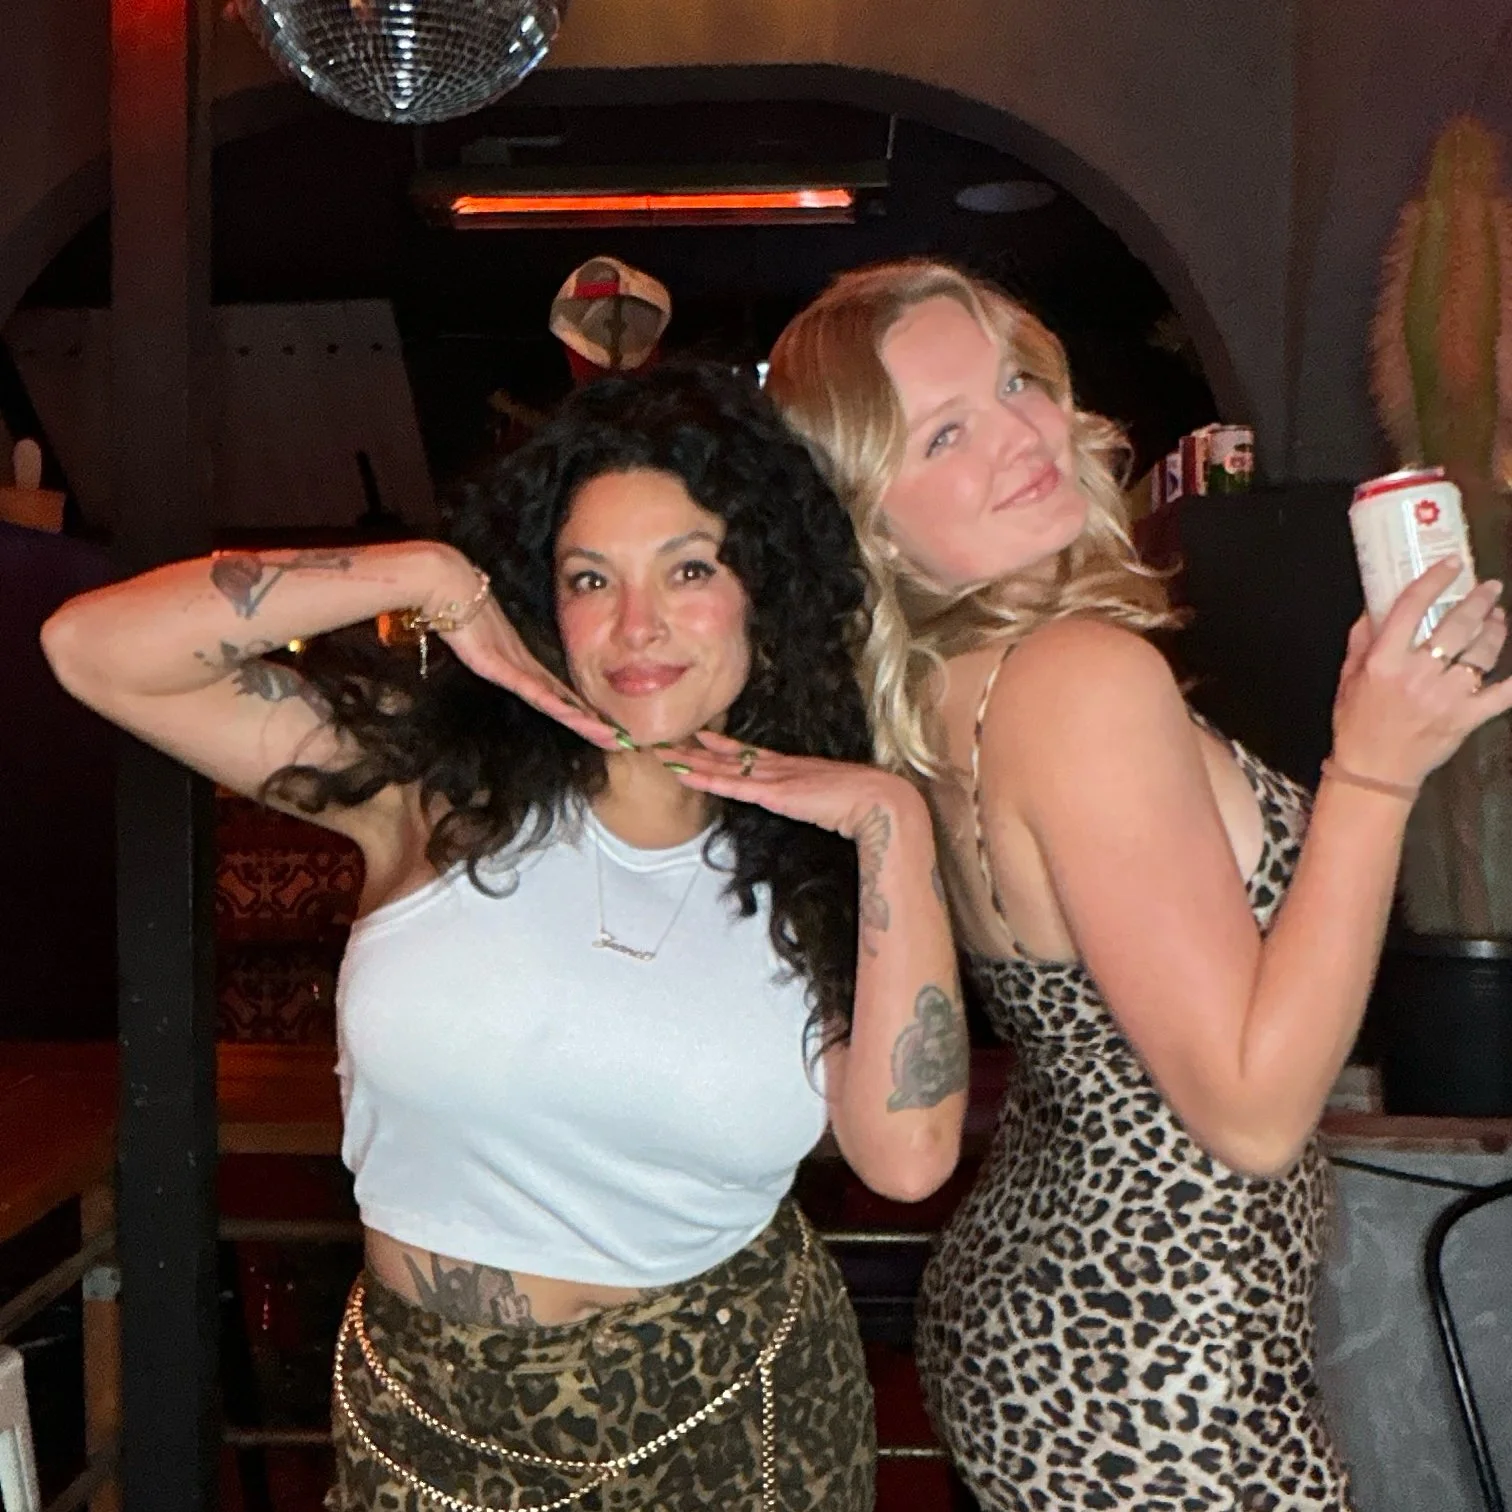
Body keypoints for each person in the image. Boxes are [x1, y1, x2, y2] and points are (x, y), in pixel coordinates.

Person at [42, 361, 969, 1511]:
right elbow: (96, 648)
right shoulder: (435, 792)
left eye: (689, 569)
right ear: (546, 600)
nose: (638, 625)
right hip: (423, 1424)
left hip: (728, 1421)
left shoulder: (826, 862)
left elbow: (908, 1158)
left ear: (764, 595)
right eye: (591, 578)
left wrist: (892, 826)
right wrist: (431, 574)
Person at [766, 260, 1512, 1511]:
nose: (1020, 434)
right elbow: (1254, 1111)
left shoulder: (959, 688)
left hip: (1058, 1317)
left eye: (1016, 383)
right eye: (945, 432)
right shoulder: (1077, 679)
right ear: (866, 521)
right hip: (1162, 1366)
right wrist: (1374, 774)